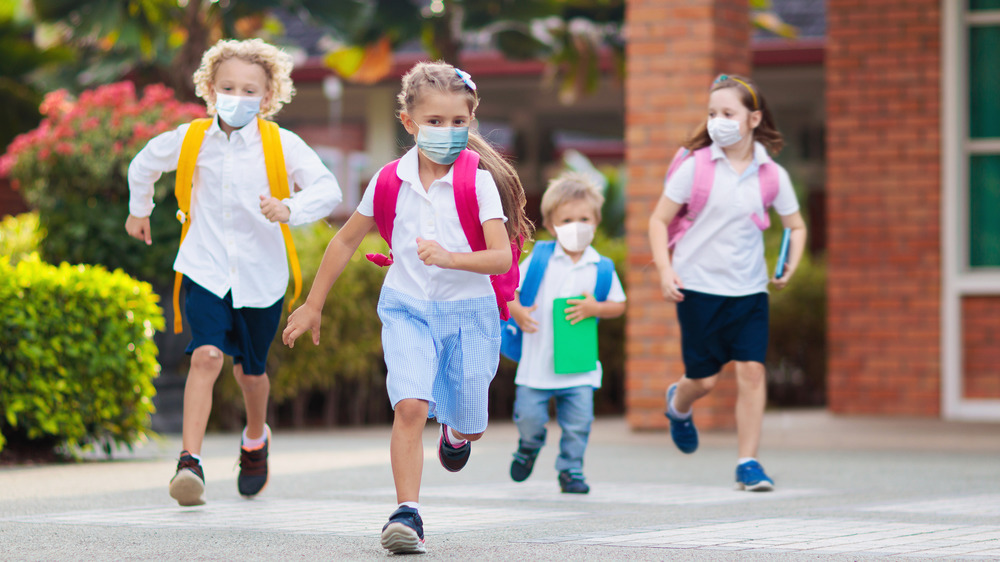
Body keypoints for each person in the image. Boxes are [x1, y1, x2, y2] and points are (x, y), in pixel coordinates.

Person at [281, 61, 532, 554]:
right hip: (407, 307)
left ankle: (457, 437)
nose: (447, 132)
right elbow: (345, 241)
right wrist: (313, 304)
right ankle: (407, 515)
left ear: (471, 121)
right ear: (409, 123)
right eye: (435, 122)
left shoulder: (477, 182)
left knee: (471, 421)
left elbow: (502, 255)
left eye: (458, 122)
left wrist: (452, 258)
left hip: (471, 314)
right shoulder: (389, 180)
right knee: (411, 405)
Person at [125, 38, 342, 507]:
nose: (237, 97)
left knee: (250, 373)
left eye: (249, 90)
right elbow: (143, 164)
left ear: (267, 97)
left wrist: (289, 207)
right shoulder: (190, 139)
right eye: (228, 87)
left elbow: (327, 188)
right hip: (204, 267)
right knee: (205, 356)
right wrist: (138, 210)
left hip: (261, 276)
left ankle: (255, 438)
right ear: (209, 88)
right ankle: (190, 463)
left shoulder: (281, 144)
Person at [648, 74, 807, 492]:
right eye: (713, 113)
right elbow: (658, 220)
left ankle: (749, 462)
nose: (718, 121)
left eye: (728, 113)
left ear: (753, 118)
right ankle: (678, 406)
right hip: (698, 287)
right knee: (704, 381)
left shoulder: (771, 174)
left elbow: (797, 225)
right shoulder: (696, 166)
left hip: (750, 290)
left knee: (752, 372)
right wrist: (666, 271)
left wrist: (790, 263)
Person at [506, 172, 626, 494]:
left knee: (579, 424)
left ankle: (571, 470)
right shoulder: (541, 258)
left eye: (584, 218)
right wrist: (516, 310)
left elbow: (618, 304)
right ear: (551, 223)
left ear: (596, 222)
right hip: (536, 364)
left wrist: (596, 308)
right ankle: (529, 446)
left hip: (579, 365)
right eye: (567, 219)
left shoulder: (601, 266)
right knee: (529, 418)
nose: (577, 225)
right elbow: (509, 290)